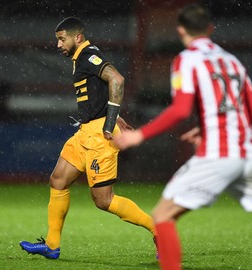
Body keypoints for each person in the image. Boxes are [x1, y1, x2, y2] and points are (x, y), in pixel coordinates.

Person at [113, 4, 252, 270]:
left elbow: (180, 110)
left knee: (162, 216)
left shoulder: (186, 60)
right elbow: (248, 108)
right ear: (210, 29)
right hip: (246, 152)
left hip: (218, 155)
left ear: (180, 30)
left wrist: (139, 135)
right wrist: (207, 127)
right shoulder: (232, 61)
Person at [19, 17, 157, 260]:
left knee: (104, 201)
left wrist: (112, 121)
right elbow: (100, 91)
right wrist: (117, 117)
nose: (58, 44)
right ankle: (52, 246)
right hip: (85, 132)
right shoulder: (81, 58)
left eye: (62, 39)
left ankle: (159, 230)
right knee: (58, 180)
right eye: (57, 40)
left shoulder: (88, 55)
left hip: (99, 136)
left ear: (78, 38)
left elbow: (117, 79)